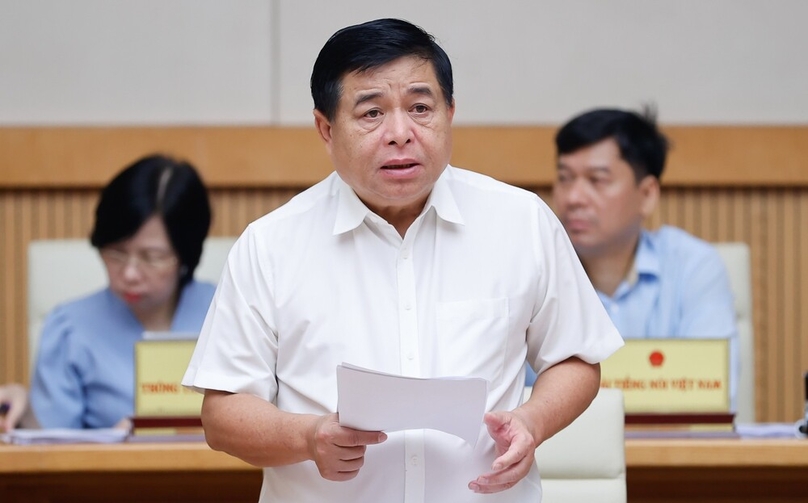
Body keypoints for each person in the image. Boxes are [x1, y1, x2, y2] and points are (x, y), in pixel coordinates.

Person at [182, 18, 622, 502]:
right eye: (371, 113)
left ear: (450, 112)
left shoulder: (521, 222)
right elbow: (222, 414)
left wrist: (532, 421)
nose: (400, 133)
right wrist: (306, 438)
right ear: (326, 128)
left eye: (420, 108)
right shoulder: (270, 245)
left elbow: (576, 357)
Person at [526, 107, 738, 408]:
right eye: (565, 178)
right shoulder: (533, 268)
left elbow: (714, 395)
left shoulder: (694, 267)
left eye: (597, 180)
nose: (573, 198)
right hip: (558, 455)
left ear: (647, 194)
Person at [29, 154, 215, 429]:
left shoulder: (228, 312)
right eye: (116, 253)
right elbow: (51, 453)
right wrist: (107, 449)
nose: (129, 274)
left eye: (151, 257)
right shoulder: (68, 328)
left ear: (186, 255)